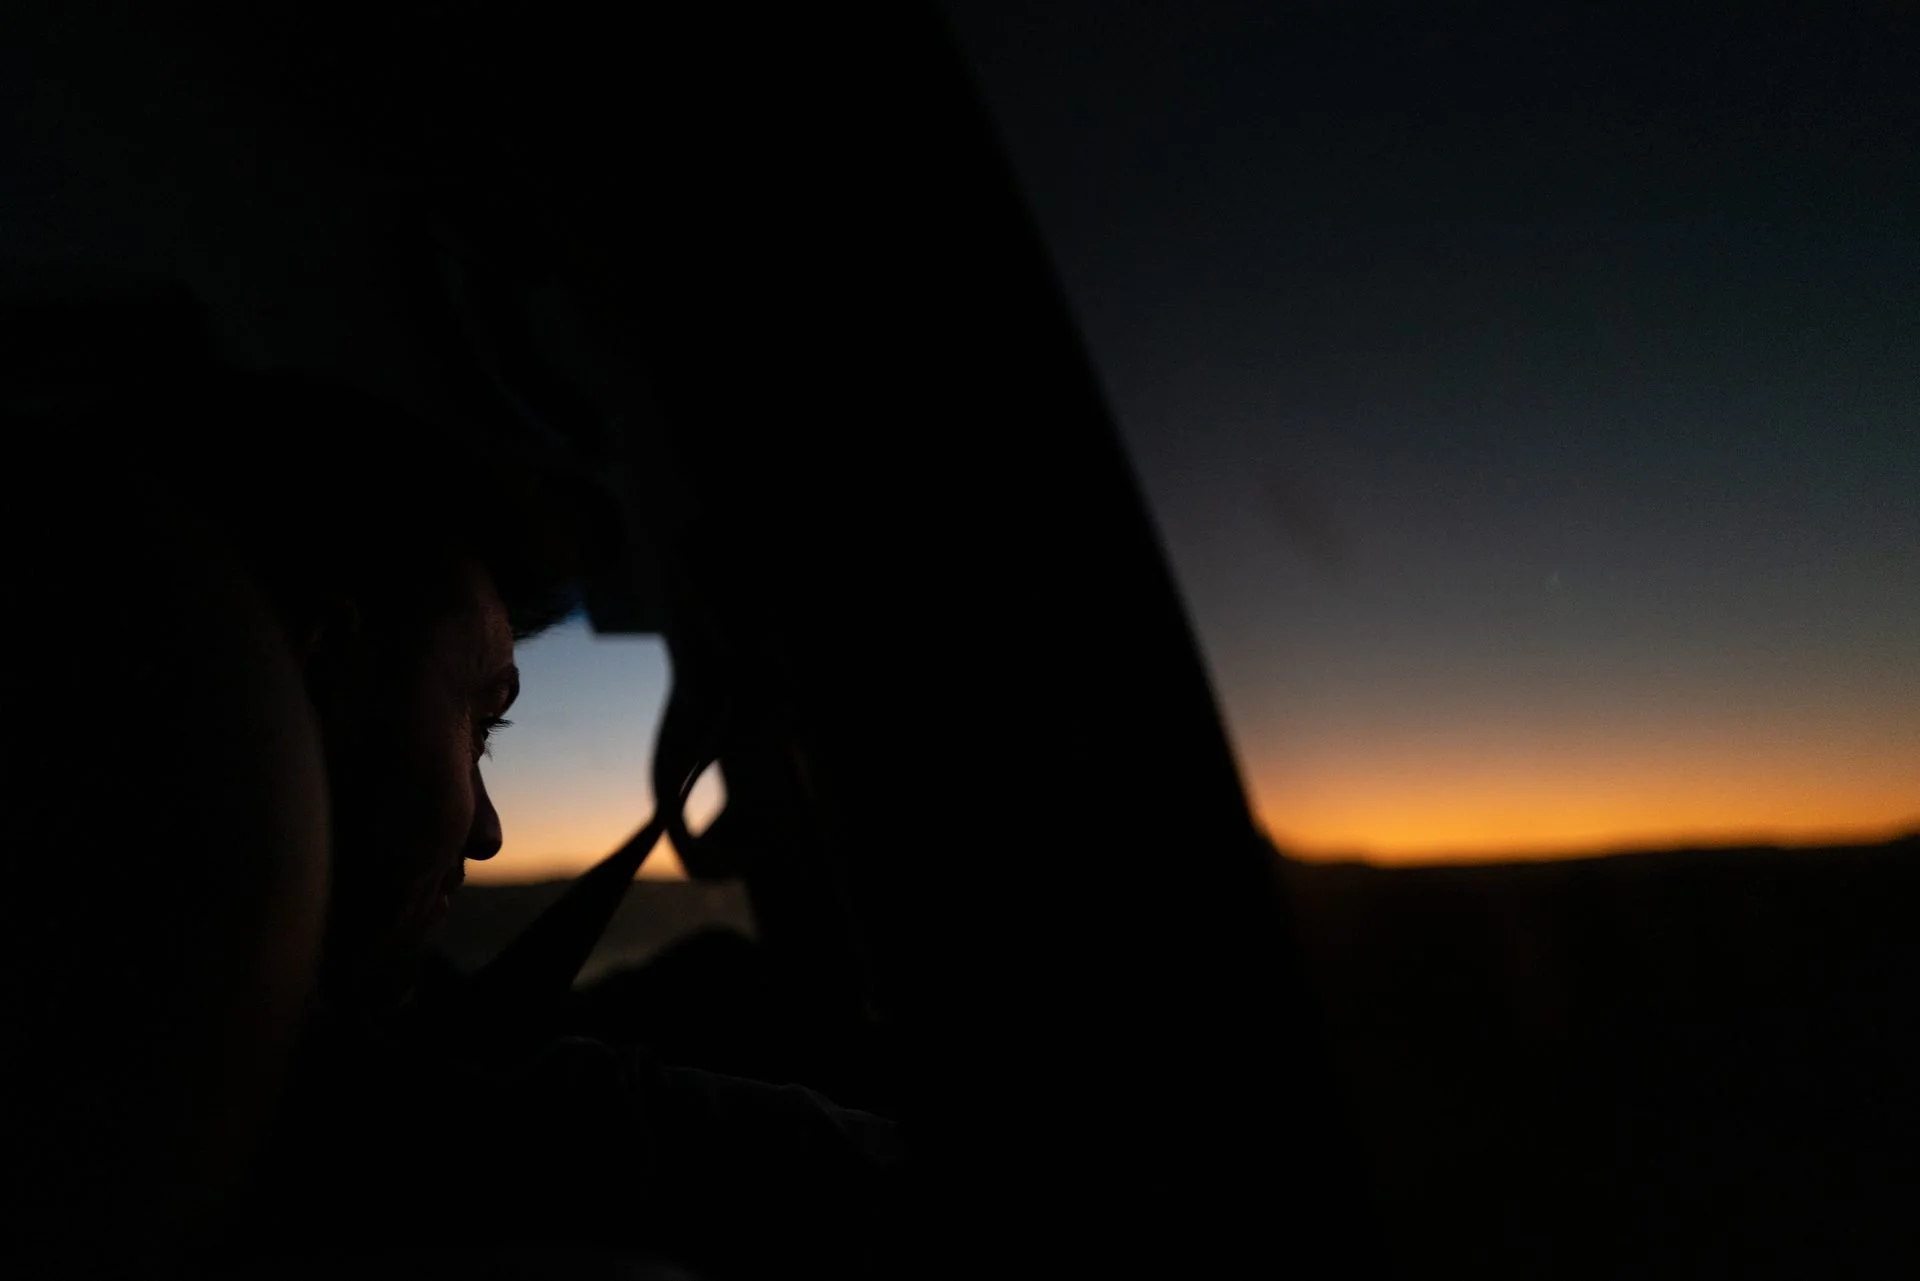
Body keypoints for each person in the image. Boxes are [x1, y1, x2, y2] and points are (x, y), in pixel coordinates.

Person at [104, 367, 903, 1279]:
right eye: (481, 724)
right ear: (316, 680)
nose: (486, 835)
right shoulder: (363, 1172)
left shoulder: (218, 1103)